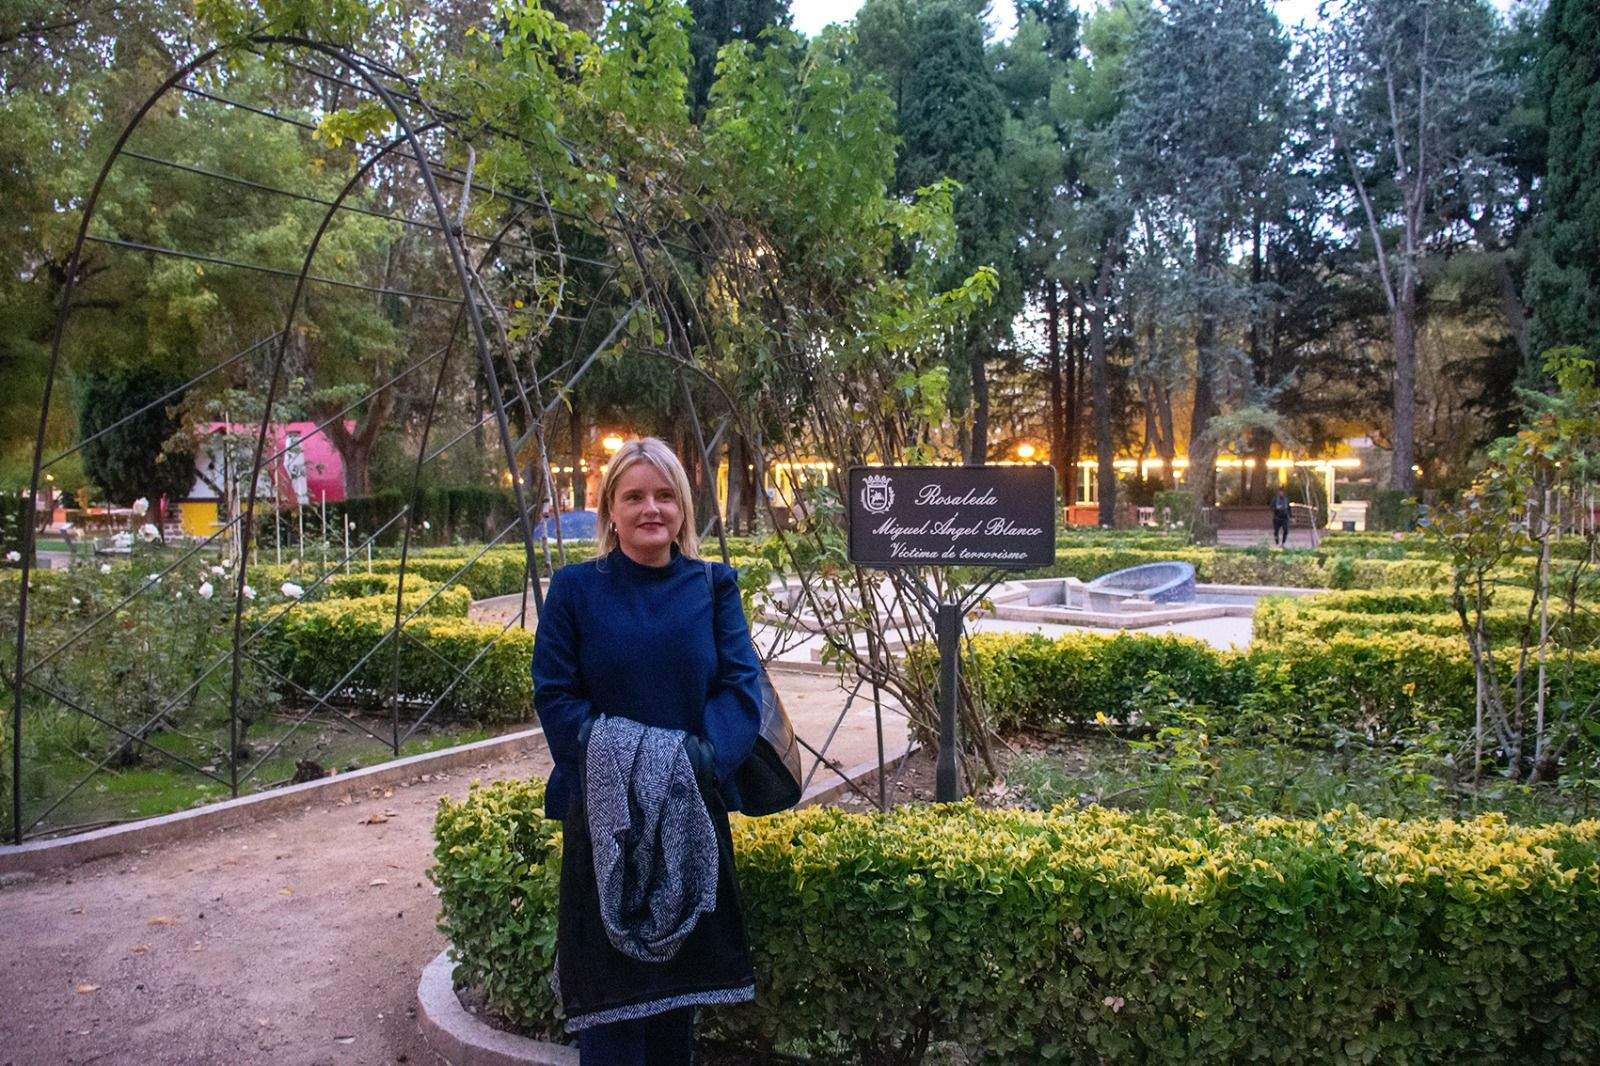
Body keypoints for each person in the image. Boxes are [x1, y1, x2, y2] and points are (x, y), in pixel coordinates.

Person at [532, 437, 764, 1065]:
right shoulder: (575, 591)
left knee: (674, 1007)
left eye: (664, 495)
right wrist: (624, 764)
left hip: (691, 809)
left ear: (684, 508)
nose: (650, 509)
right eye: (633, 496)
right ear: (609, 508)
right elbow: (556, 695)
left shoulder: (713, 587)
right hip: (606, 820)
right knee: (609, 1011)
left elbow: (742, 688)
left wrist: (695, 761)